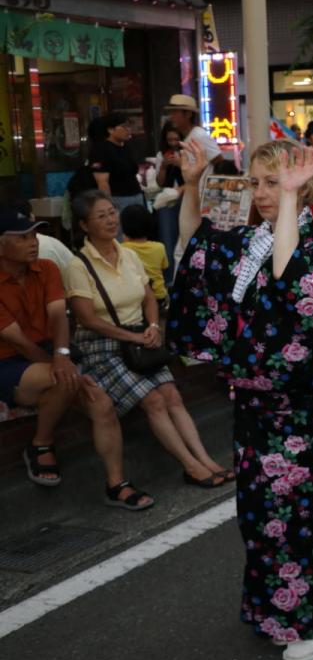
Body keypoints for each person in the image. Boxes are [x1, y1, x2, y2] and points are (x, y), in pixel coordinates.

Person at [170, 138, 313, 660]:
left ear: (304, 187)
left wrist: (290, 199)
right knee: (260, 518)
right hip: (254, 409)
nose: (264, 192)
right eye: (258, 182)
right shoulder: (251, 242)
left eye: (275, 182)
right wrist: (192, 184)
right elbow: (196, 248)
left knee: (303, 519)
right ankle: (273, 611)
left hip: (302, 414)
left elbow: (289, 285)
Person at [66, 190, 228, 488]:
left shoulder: (129, 254)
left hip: (139, 339)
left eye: (112, 212)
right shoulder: (78, 265)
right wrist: (135, 336)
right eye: (101, 216)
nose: (111, 220)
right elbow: (87, 319)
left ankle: (207, 460)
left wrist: (153, 326)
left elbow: (149, 297)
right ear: (84, 225)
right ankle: (191, 466)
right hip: (102, 346)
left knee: (172, 395)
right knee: (153, 400)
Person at [0, 204, 151, 508]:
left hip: (52, 353)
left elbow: (59, 316)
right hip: (10, 361)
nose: (33, 242)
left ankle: (116, 484)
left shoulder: (47, 268)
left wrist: (62, 354)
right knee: (64, 380)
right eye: (23, 237)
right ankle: (41, 443)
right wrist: (65, 368)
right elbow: (17, 341)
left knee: (102, 404)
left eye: (34, 235)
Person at [88, 113, 144, 218]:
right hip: (118, 199)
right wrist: (110, 206)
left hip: (137, 195)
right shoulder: (101, 149)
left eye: (129, 126)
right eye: (124, 126)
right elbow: (102, 182)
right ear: (110, 130)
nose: (128, 129)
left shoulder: (127, 146)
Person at [119, 204, 170, 312]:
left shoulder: (121, 249)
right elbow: (164, 268)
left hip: (137, 300)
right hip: (158, 296)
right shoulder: (159, 247)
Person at [153, 122, 185, 277]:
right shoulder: (161, 155)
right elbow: (160, 182)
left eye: (176, 139)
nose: (173, 143)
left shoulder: (188, 153)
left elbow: (194, 180)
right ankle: (169, 277)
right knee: (167, 240)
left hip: (185, 199)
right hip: (167, 201)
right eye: (169, 140)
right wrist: (164, 166)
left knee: (184, 238)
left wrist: (181, 164)